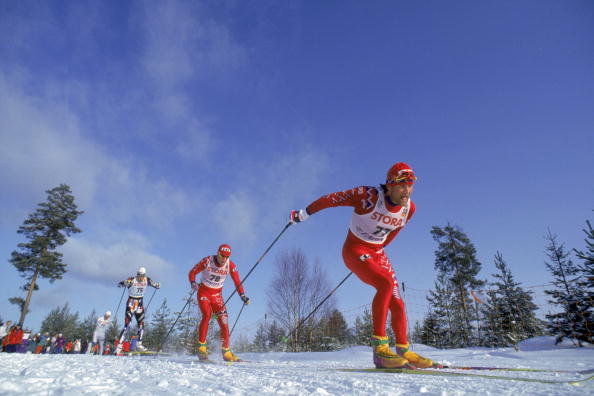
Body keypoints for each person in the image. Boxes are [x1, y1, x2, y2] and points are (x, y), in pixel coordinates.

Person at [289, 162, 433, 369]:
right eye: (402, 185)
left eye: (410, 185)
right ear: (390, 185)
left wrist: (380, 248)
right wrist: (303, 214)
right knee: (384, 284)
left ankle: (404, 350)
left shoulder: (409, 208)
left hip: (377, 252)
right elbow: (331, 199)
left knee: (397, 301)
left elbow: (394, 231)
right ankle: (380, 351)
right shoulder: (369, 196)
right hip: (355, 250)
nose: (407, 191)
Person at [188, 244, 250, 362]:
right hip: (204, 293)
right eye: (222, 256)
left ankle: (226, 352)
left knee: (224, 321)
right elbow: (192, 272)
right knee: (207, 314)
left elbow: (237, 281)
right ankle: (201, 347)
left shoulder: (230, 265)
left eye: (227, 256)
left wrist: (242, 295)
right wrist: (193, 283)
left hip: (217, 296)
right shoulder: (207, 260)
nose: (224, 259)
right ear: (218, 253)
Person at [115, 267, 160, 354]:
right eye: (140, 276)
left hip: (140, 304)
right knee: (127, 325)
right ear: (137, 275)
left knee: (141, 324)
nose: (141, 278)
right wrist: (125, 283)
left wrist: (157, 285)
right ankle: (119, 346)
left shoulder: (147, 280)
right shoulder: (132, 279)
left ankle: (139, 344)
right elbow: (119, 284)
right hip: (131, 303)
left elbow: (154, 284)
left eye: (143, 276)